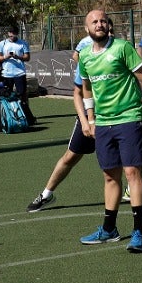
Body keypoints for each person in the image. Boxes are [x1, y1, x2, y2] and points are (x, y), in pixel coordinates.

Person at [74, 9, 142, 252]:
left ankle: (138, 233)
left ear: (108, 25)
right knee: (110, 176)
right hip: (102, 124)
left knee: (132, 172)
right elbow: (87, 89)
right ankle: (109, 229)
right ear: (86, 28)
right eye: (94, 21)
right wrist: (90, 119)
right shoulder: (84, 57)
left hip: (129, 117)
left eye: (103, 20)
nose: (99, 24)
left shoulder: (123, 48)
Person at [26, 36, 96, 212]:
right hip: (90, 117)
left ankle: (131, 192)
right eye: (97, 23)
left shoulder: (121, 52)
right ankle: (46, 194)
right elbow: (78, 93)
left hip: (116, 116)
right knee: (70, 156)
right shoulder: (86, 58)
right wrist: (85, 120)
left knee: (130, 158)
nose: (104, 30)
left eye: (109, 29)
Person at [0, 24, 31, 110]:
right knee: (6, 95)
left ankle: (25, 113)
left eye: (14, 33)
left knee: (22, 95)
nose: (12, 35)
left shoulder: (23, 43)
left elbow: (27, 57)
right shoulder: (2, 43)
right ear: (8, 33)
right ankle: (8, 113)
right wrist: (5, 57)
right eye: (10, 33)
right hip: (6, 74)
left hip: (20, 73)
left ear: (17, 33)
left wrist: (17, 57)